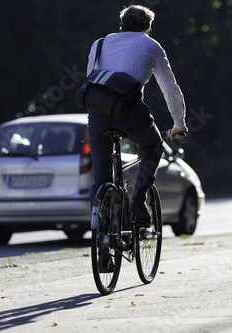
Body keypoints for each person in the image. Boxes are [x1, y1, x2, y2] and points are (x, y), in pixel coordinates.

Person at [87, 5, 188, 230]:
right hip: (130, 114)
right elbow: (170, 88)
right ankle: (138, 202)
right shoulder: (151, 46)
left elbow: (90, 82)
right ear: (147, 29)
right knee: (153, 147)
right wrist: (179, 124)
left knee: (100, 180)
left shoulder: (99, 44)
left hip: (97, 116)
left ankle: (101, 239)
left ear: (122, 25)